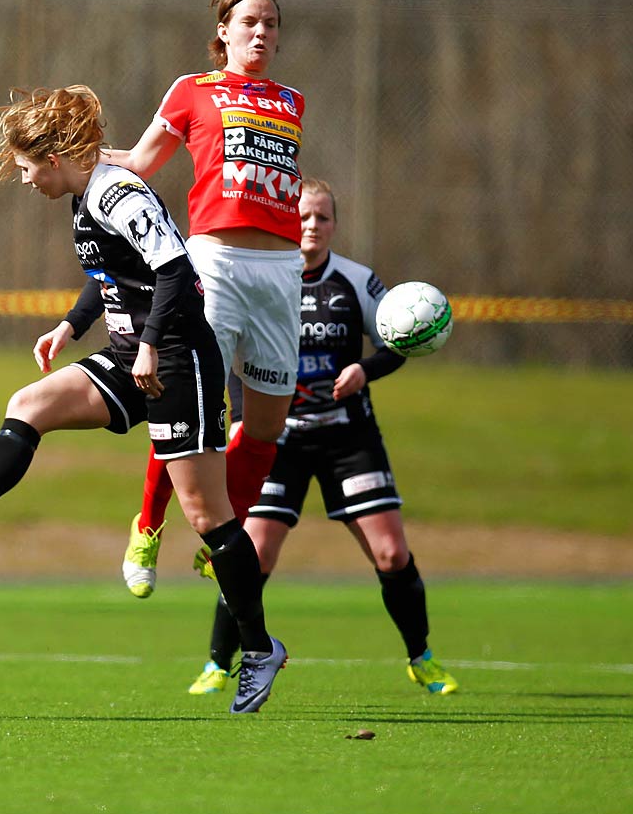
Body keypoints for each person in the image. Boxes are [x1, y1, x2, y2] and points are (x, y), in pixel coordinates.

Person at [0, 86, 287, 715]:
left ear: (55, 157)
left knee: (207, 513)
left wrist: (149, 347)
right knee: (30, 403)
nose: (26, 180)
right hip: (130, 354)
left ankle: (257, 650)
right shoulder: (86, 196)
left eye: (29, 167)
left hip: (175, 359)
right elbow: (109, 272)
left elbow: (172, 268)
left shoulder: (120, 190)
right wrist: (70, 326)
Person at [187, 180, 460, 697]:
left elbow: (396, 343)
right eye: (305, 215)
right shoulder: (262, 276)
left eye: (323, 217)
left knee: (391, 553)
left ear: (334, 224)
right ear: (288, 218)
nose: (312, 225)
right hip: (277, 440)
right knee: (254, 554)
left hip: (346, 438)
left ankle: (421, 657)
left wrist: (364, 369)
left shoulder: (356, 281)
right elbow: (227, 352)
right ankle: (220, 664)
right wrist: (243, 419)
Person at [103, 0, 306, 599]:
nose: (262, 32)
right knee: (186, 405)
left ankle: (226, 535)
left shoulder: (291, 100)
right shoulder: (193, 90)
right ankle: (149, 524)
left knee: (267, 426)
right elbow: (140, 162)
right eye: (249, 21)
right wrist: (80, 162)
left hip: (279, 271)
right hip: (214, 262)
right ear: (223, 30)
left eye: (271, 22)